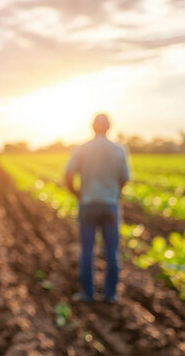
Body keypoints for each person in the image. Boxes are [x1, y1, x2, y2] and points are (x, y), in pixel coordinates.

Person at [65, 113, 130, 302]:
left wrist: (77, 194)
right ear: (109, 127)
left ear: (92, 127)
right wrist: (114, 193)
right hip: (110, 205)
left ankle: (87, 293)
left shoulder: (81, 149)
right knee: (111, 250)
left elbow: (68, 176)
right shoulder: (119, 150)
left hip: (88, 204)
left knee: (87, 250)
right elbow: (124, 178)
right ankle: (110, 294)